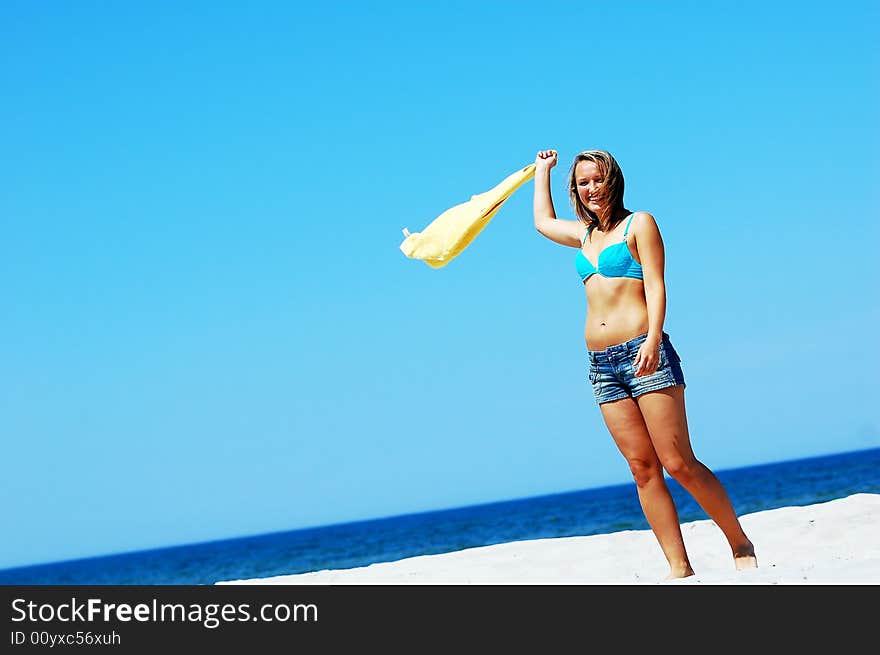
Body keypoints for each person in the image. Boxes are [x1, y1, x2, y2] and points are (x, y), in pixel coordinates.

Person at [532, 148, 757, 580]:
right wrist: (542, 171)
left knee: (678, 463)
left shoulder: (640, 224)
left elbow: (655, 283)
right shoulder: (583, 234)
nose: (591, 189)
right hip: (601, 365)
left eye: (598, 179)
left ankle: (739, 541)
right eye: (583, 182)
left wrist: (654, 338)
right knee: (642, 468)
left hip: (644, 350)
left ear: (613, 180)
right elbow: (542, 222)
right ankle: (679, 567)